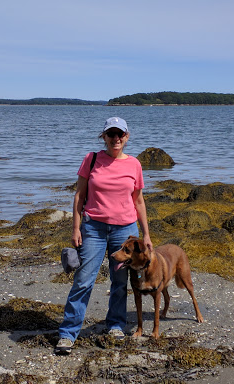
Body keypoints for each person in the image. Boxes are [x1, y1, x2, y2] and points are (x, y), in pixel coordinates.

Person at [55, 117, 153, 355]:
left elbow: (138, 201)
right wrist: (76, 228)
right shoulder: (92, 159)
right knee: (83, 280)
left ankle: (116, 326)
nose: (116, 139)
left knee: (120, 282)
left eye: (120, 134)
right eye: (111, 134)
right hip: (94, 229)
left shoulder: (134, 165)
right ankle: (68, 334)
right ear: (104, 136)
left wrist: (147, 234)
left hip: (125, 231)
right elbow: (79, 195)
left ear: (127, 137)